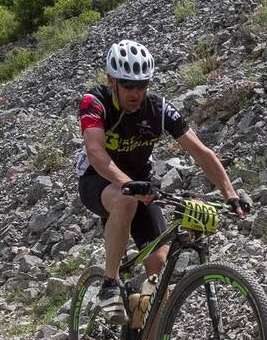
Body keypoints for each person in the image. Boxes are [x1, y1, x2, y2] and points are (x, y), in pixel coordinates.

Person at [76, 39, 249, 323]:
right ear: (111, 80)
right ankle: (109, 283)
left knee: (158, 273)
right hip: (98, 180)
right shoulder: (94, 102)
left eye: (142, 84)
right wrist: (127, 183)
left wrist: (231, 194)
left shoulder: (158, 109)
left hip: (142, 185)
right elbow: (95, 152)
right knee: (125, 200)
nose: (136, 92)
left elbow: (201, 153)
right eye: (128, 85)